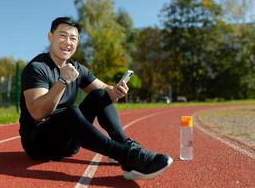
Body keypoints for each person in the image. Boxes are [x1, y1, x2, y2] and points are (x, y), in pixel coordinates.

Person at [19, 17, 173, 180]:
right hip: (38, 143)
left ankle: (124, 144)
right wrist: (62, 81)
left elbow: (106, 94)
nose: (68, 42)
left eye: (73, 38)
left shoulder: (77, 68)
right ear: (50, 37)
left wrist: (116, 91)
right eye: (62, 36)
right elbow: (37, 112)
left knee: (99, 94)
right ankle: (128, 156)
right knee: (70, 112)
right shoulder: (37, 68)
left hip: (69, 142)